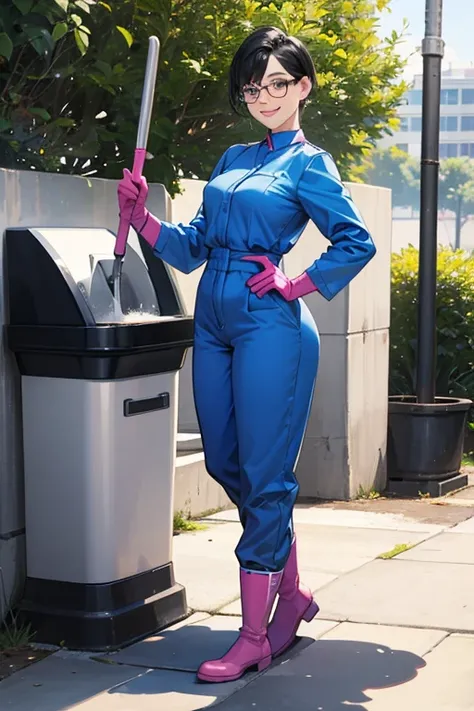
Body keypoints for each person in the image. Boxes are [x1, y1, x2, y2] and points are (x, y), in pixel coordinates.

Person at [118, 26, 376, 684]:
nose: (264, 95)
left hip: (271, 325)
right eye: (253, 86)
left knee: (264, 477)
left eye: (278, 84)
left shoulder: (308, 165)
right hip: (212, 316)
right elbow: (190, 246)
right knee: (228, 461)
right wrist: (144, 217)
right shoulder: (232, 157)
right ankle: (290, 594)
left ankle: (255, 635)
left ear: (303, 87)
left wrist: (296, 282)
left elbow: (355, 240)